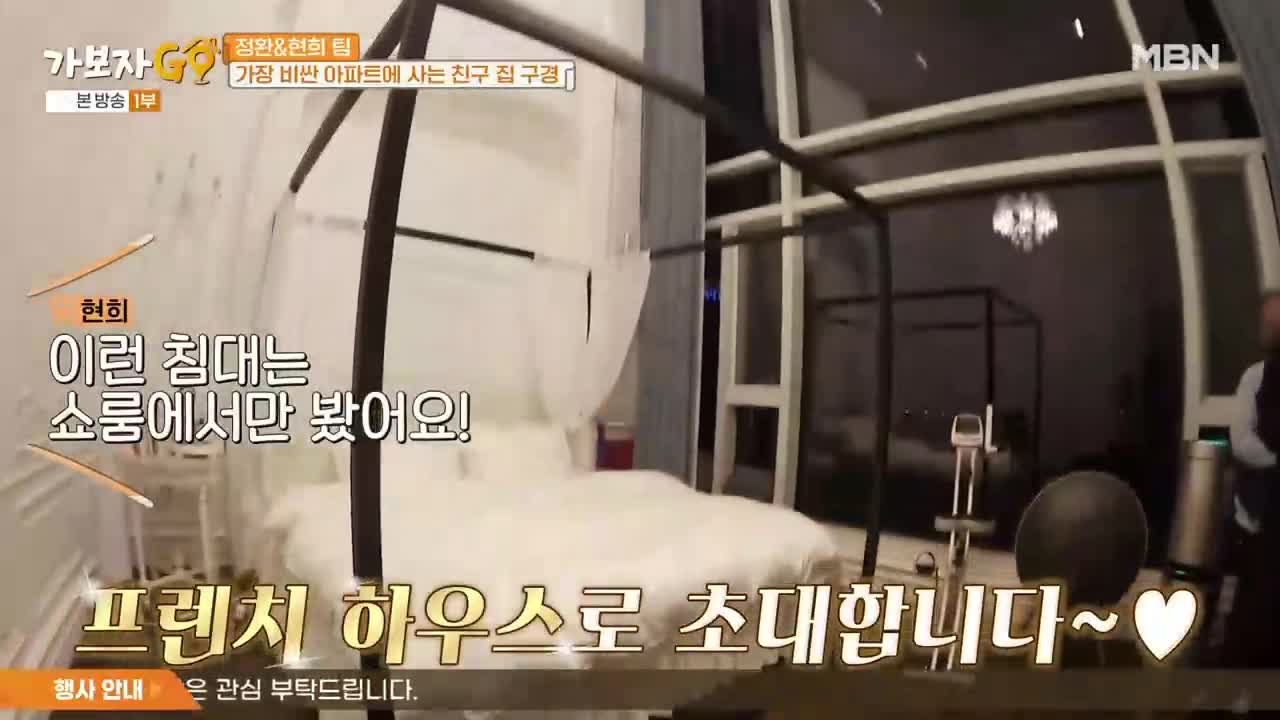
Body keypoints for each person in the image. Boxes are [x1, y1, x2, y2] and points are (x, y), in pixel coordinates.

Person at [1223, 291, 1280, 669]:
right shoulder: (1256, 376)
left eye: (1273, 321)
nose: (1267, 327)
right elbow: (1242, 441)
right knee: (1253, 609)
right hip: (1258, 518)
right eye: (1266, 320)